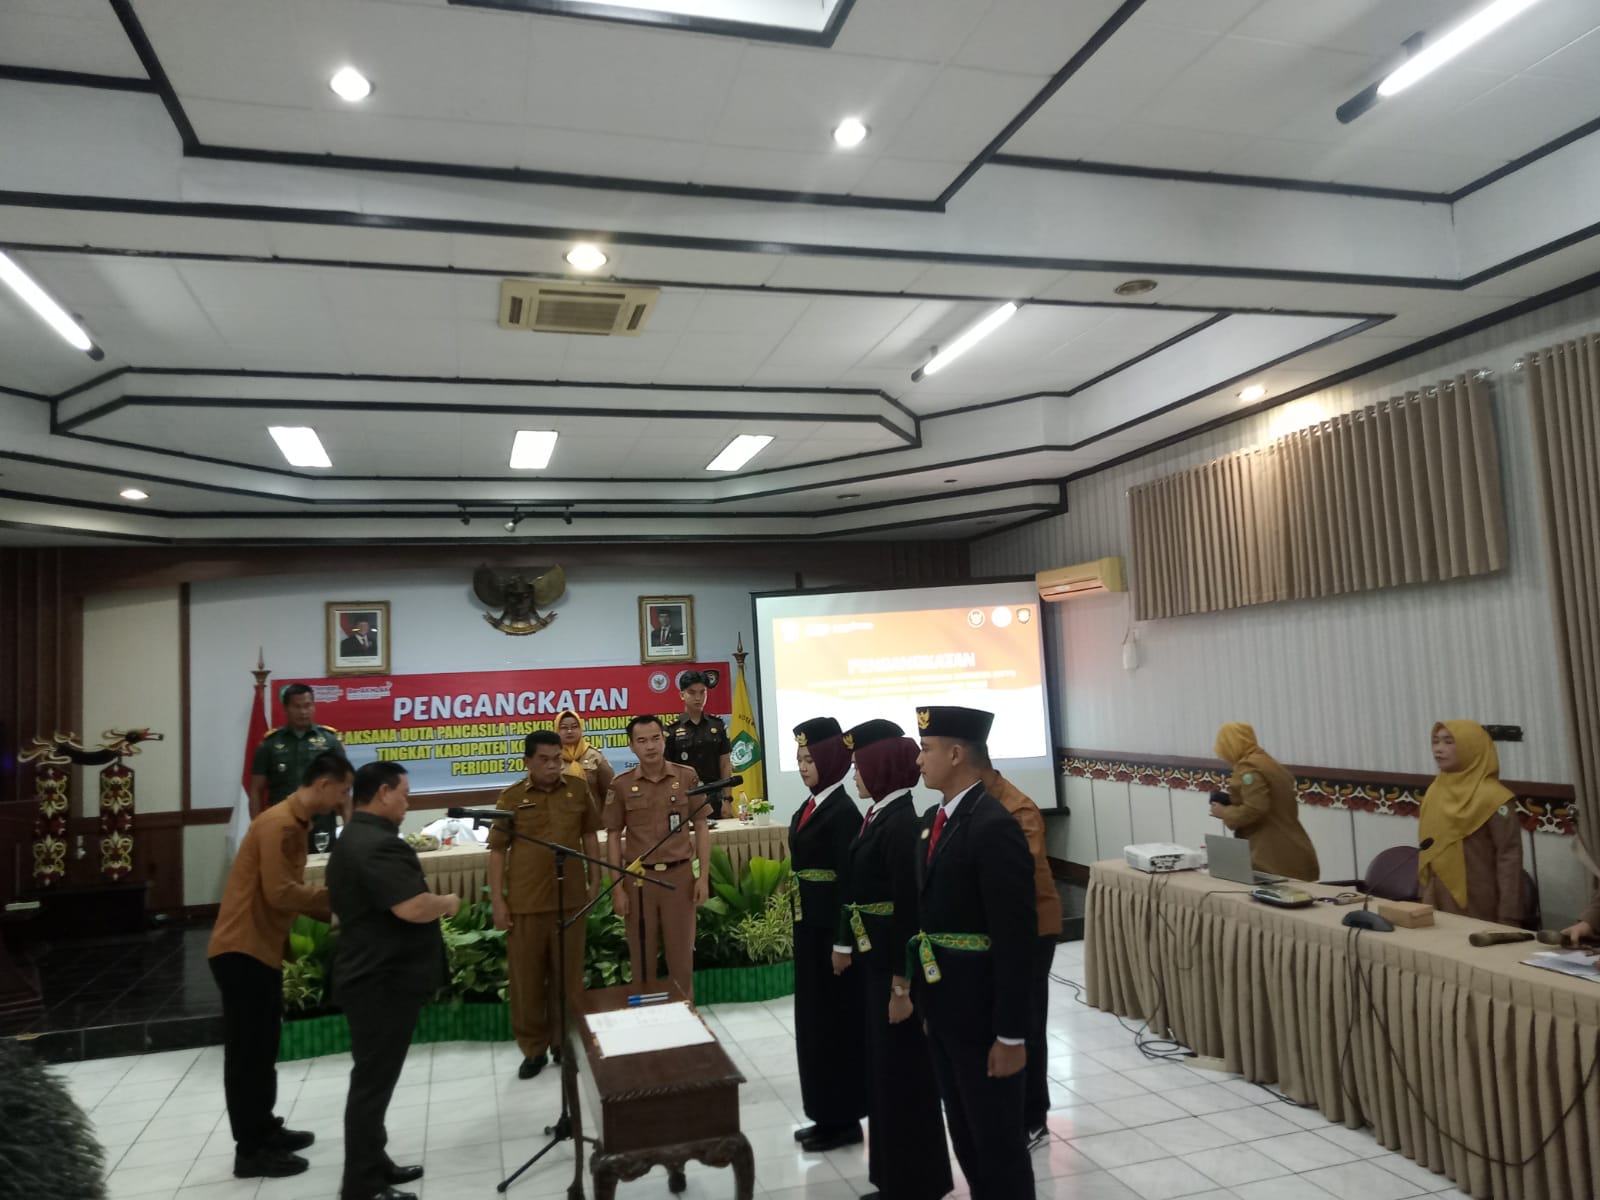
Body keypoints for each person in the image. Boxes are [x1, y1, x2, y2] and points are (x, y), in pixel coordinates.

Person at [207, 750, 351, 1179]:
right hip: (241, 951)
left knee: (264, 1048)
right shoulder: (280, 824)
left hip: (260, 950)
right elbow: (281, 892)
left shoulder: (296, 822)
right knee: (247, 1056)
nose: (343, 801)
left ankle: (264, 1128)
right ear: (323, 784)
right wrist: (341, 903)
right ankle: (250, 1151)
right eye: (342, 791)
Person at [914, 705, 1035, 1200]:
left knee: (997, 1141)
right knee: (965, 1132)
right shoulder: (936, 820)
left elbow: (1016, 938)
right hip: (946, 1008)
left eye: (926, 749)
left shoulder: (992, 825)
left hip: (983, 1015)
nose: (918, 760)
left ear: (956, 754)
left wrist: (1011, 1034)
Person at [836, 718, 952, 1200]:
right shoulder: (880, 814)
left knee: (904, 1075)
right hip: (876, 964)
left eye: (860, 766)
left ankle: (915, 1183)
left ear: (880, 767)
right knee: (885, 1073)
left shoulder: (902, 823)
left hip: (892, 970)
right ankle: (893, 1179)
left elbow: (909, 912)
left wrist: (902, 986)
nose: (854, 776)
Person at [328, 762, 455, 1200]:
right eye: (404, 794)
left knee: (374, 1080)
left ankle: (374, 1161)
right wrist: (447, 902)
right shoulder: (376, 843)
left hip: (373, 975)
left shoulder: (357, 836)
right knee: (372, 1085)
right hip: (379, 980)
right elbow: (411, 907)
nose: (407, 803)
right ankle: (362, 1185)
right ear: (383, 793)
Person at [490, 729, 602, 1080]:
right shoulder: (511, 797)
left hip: (570, 900)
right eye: (544, 760)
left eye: (557, 759)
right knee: (527, 981)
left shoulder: (578, 789)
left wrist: (595, 878)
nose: (553, 766)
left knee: (568, 979)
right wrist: (498, 901)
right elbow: (497, 850)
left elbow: (589, 835)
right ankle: (533, 1049)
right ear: (528, 761)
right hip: (525, 903)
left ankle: (563, 1043)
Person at [787, 716, 867, 1153]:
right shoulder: (813, 804)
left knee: (834, 1025)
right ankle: (823, 1113)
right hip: (809, 929)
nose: (803, 766)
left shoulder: (842, 812)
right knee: (813, 1023)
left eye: (810, 758)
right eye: (799, 759)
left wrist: (842, 942)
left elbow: (848, 885)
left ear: (830, 759)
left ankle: (844, 1119)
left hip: (829, 936)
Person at [981, 763, 1063, 1147]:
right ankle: (1008, 1110)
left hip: (1033, 929)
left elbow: (1016, 875)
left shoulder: (1018, 809)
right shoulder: (976, 802)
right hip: (997, 930)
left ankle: (1033, 1117)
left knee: (1026, 1022)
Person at [603, 715, 708, 1000]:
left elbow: (700, 826)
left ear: (664, 740)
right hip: (639, 881)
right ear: (631, 746)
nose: (650, 746)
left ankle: (685, 1015)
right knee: (642, 959)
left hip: (679, 879)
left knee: (681, 959)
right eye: (642, 741)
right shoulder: (621, 785)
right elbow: (613, 835)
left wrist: (702, 878)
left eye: (655, 738)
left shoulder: (686, 776)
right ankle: (647, 1018)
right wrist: (617, 889)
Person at [1419, 720, 1525, 925]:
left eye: (1449, 742)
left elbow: (1509, 858)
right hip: (1436, 898)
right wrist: (1423, 896)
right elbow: (1428, 851)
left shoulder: (1495, 797)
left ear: (1471, 747)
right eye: (1435, 741)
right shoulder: (1435, 791)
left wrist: (1509, 914)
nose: (1438, 749)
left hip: (1479, 903)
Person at [1210, 723, 1320, 881]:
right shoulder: (1266, 762)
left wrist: (1225, 812)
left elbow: (1255, 808)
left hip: (1271, 854)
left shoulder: (1249, 768)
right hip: (1290, 847)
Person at [250, 682, 346, 854]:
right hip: (282, 824)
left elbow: (343, 788)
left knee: (321, 870)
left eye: (307, 706)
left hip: (321, 825)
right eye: (297, 707)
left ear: (314, 706)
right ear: (285, 708)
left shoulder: (330, 741)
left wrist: (349, 828)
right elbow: (256, 789)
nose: (303, 712)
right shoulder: (269, 744)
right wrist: (257, 828)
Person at [667, 671, 733, 817]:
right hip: (684, 798)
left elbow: (725, 764)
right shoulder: (672, 729)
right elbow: (668, 770)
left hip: (714, 797)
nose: (698, 698)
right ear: (682, 695)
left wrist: (727, 799)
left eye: (702, 692)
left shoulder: (717, 725)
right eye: (692, 693)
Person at [557, 708, 615, 810]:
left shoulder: (594, 756)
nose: (569, 731)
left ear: (581, 729)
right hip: (561, 817)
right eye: (564, 727)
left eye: (574, 727)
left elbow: (610, 792)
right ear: (557, 730)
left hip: (593, 817)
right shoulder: (552, 757)